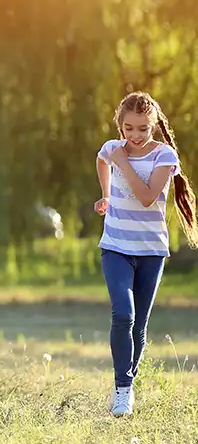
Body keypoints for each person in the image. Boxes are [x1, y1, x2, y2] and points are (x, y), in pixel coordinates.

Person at [94, 92, 197, 417]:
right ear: (119, 124)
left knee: (139, 325)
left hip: (151, 251)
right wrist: (106, 195)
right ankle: (122, 389)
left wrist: (122, 162)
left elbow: (147, 198)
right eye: (128, 128)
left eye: (142, 129)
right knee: (123, 314)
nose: (134, 136)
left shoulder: (164, 156)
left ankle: (129, 381)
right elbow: (101, 159)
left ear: (153, 126)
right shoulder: (112, 148)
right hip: (115, 247)